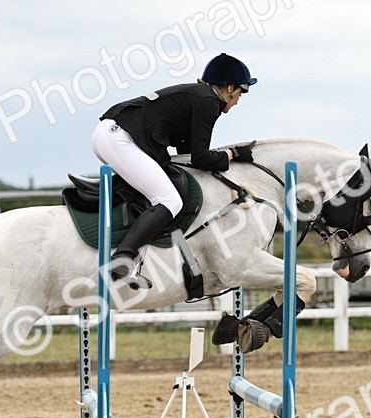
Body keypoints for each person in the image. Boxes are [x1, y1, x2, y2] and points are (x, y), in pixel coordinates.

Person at [91, 52, 257, 288]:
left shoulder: (199, 96)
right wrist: (233, 154)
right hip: (121, 139)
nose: (238, 100)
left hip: (112, 135)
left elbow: (187, 154)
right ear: (230, 88)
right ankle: (123, 259)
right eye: (241, 93)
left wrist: (222, 157)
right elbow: (201, 158)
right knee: (170, 200)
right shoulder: (209, 102)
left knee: (164, 184)